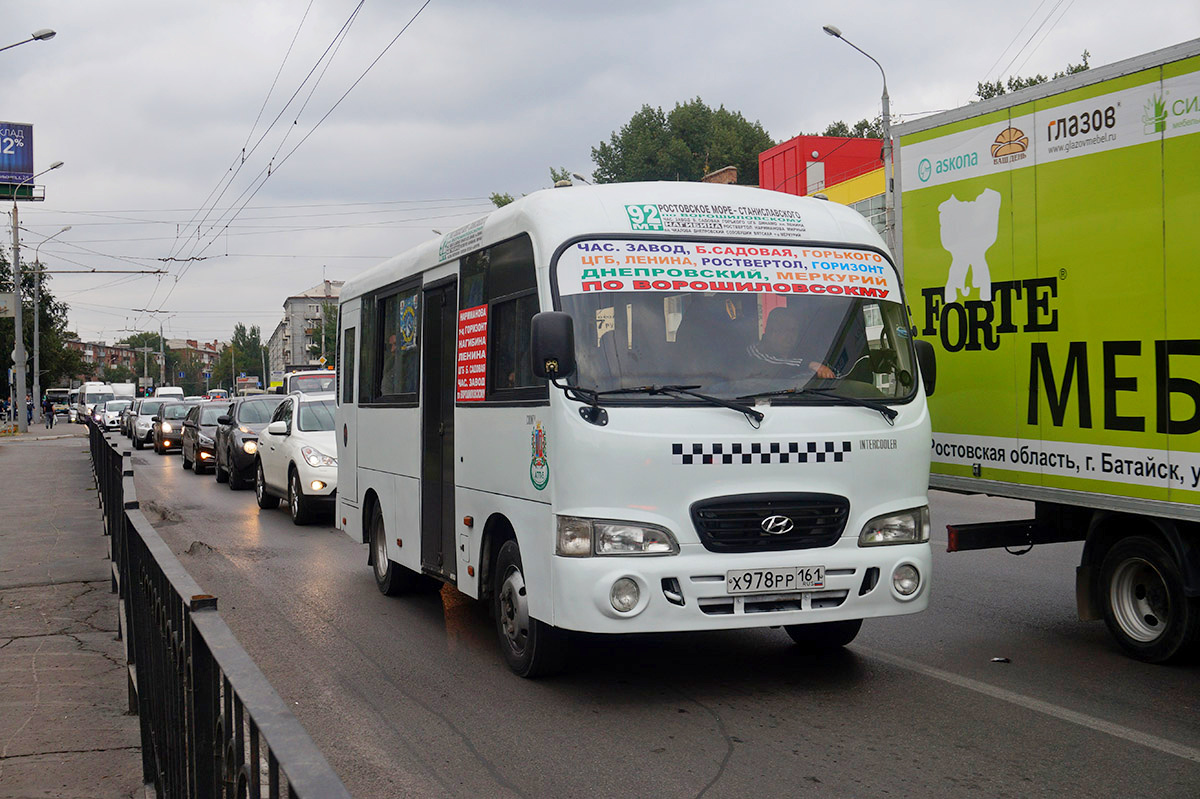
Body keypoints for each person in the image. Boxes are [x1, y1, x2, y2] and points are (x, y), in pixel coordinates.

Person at [748, 305, 835, 379]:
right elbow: (774, 362)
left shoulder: (800, 353)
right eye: (785, 330)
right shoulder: (755, 351)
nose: (790, 336)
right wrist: (811, 365)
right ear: (771, 332)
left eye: (793, 331)